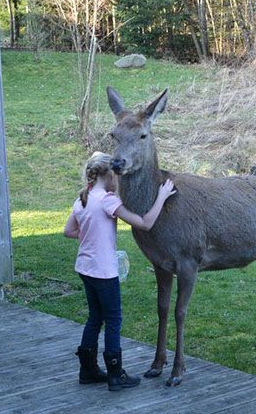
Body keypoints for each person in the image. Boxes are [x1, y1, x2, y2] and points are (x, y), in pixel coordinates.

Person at [63, 151, 176, 391]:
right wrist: (162, 196)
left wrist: (91, 236)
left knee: (95, 318)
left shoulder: (82, 199)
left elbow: (69, 231)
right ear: (108, 175)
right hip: (103, 272)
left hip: (85, 268)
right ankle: (116, 374)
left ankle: (88, 370)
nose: (119, 181)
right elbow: (145, 223)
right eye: (117, 176)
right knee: (113, 320)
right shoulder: (107, 201)